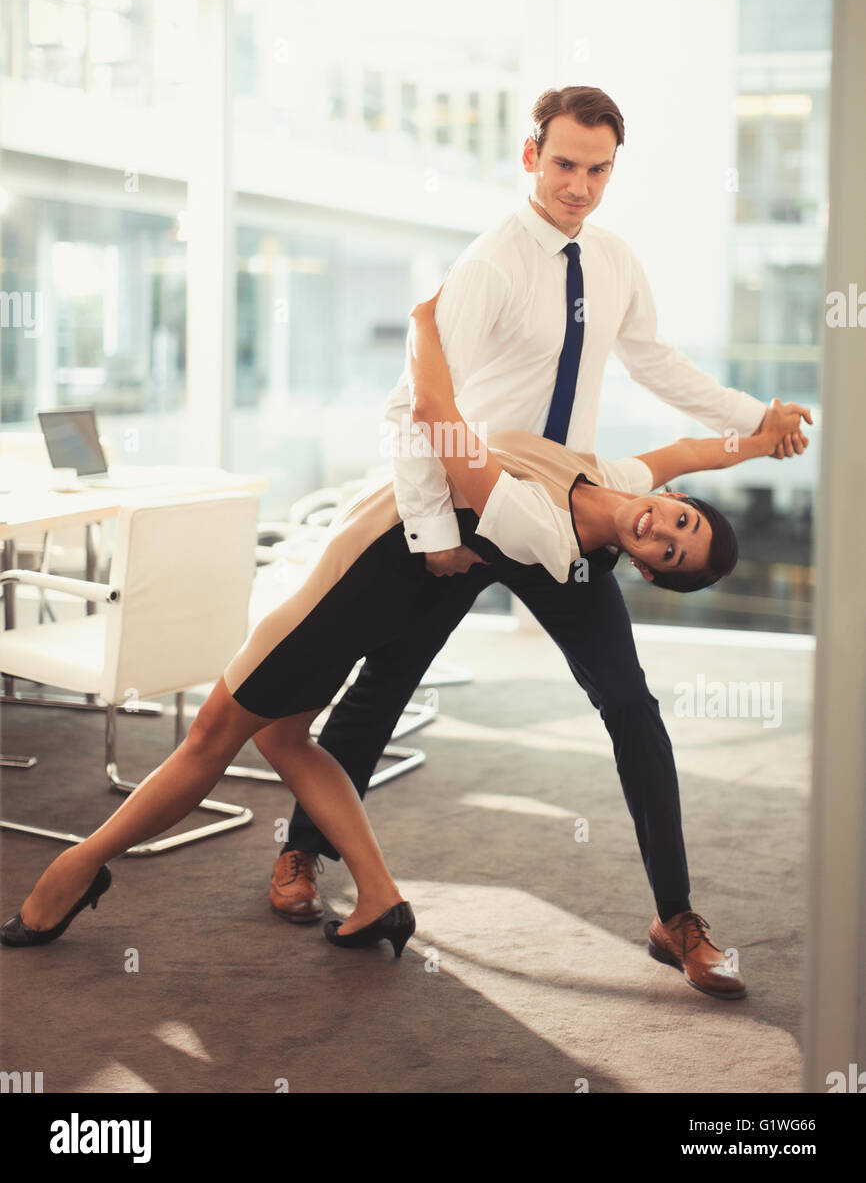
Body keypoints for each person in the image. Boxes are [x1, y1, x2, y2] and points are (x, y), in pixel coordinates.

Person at [0, 297, 808, 994]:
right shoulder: (605, 472)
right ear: (671, 503)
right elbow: (694, 451)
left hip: (355, 577)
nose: (664, 531)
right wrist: (762, 431)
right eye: (682, 520)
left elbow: (440, 423)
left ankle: (75, 869)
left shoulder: (538, 530)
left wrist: (427, 326)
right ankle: (379, 894)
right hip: (374, 571)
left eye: (672, 552)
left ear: (651, 575)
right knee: (284, 738)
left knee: (214, 735)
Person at [268, 83, 812, 1000]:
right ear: (531, 156)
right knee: (388, 680)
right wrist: (437, 530)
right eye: (564, 164)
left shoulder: (614, 261)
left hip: (565, 516)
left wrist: (753, 416)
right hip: (474, 514)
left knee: (631, 708)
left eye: (598, 169)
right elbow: (412, 404)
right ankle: (301, 853)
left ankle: (674, 917)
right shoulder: (490, 263)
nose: (580, 186)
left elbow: (658, 366)